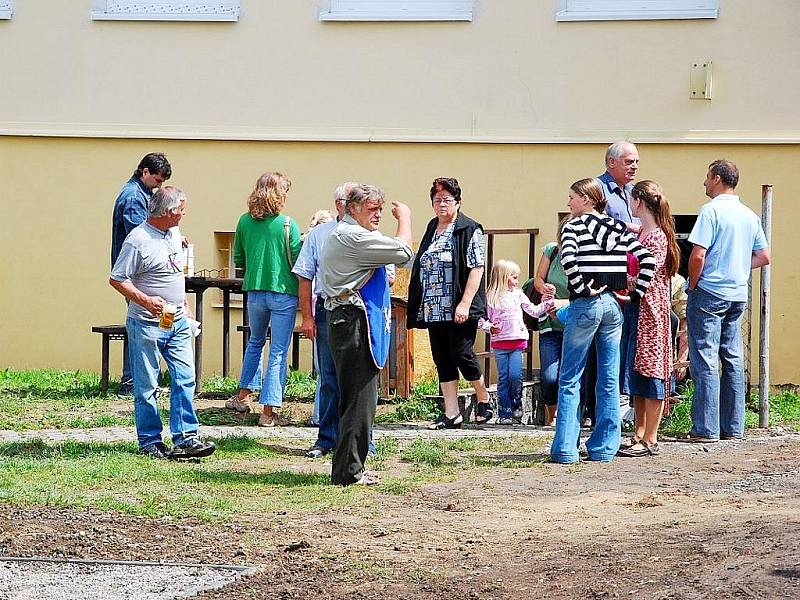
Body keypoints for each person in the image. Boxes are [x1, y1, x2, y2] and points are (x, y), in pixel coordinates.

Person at [550, 178, 655, 464]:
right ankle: (604, 448)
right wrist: (635, 295)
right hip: (612, 304)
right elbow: (648, 260)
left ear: (586, 199)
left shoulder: (573, 226)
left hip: (585, 303)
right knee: (609, 379)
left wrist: (582, 288)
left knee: (570, 377)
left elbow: (569, 260)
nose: (568, 202)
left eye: (572, 197)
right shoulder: (615, 226)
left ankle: (565, 449)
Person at [109, 186, 215, 460]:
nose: (184, 214)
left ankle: (186, 437)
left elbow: (175, 274)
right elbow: (118, 278)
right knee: (147, 385)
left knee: (185, 377)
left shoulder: (174, 233)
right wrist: (145, 301)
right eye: (181, 209)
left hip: (176, 320)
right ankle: (150, 441)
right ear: (168, 212)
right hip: (146, 323)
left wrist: (186, 306)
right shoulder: (138, 240)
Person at [320, 184, 413, 485]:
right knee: (359, 397)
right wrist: (406, 219)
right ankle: (348, 472)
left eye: (381, 209)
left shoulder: (356, 234)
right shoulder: (352, 236)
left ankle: (351, 466)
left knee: (359, 397)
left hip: (349, 319)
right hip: (352, 321)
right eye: (372, 209)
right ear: (353, 208)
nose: (378, 215)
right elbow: (403, 253)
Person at [686, 160, 770, 442]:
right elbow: (764, 256)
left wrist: (694, 283)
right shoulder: (749, 215)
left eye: (707, 177)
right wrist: (737, 266)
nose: (704, 182)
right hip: (737, 292)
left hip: (710, 291)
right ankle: (733, 427)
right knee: (732, 358)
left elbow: (698, 254)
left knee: (705, 358)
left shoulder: (710, 211)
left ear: (718, 179)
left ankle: (706, 428)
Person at [407, 177, 492, 430]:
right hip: (433, 306)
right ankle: (451, 413)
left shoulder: (469, 228)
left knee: (462, 353)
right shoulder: (432, 227)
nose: (441, 204)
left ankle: (483, 396)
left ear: (458, 202)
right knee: (442, 358)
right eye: (437, 199)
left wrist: (465, 304)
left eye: (447, 200)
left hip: (457, 304)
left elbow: (476, 268)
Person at [225, 172, 302, 427]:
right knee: (278, 350)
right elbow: (300, 261)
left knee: (255, 341)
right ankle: (268, 412)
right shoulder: (288, 224)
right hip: (283, 292)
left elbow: (238, 259)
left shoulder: (244, 222)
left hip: (255, 291)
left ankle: (243, 396)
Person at [618, 181, 681, 457]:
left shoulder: (656, 238)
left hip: (650, 311)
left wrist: (621, 283)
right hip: (638, 310)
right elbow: (628, 230)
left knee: (652, 371)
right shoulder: (645, 231)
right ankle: (639, 433)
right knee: (638, 373)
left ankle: (651, 437)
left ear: (639, 202)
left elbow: (648, 276)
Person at [293, 183, 354, 458]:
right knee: (329, 377)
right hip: (327, 310)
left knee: (358, 378)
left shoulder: (370, 234)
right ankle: (327, 437)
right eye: (349, 200)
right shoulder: (319, 235)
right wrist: (307, 317)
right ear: (339, 204)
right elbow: (304, 276)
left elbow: (388, 275)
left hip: (358, 312)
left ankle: (361, 438)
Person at [110, 152, 172, 395]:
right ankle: (133, 380)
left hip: (136, 272)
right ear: (144, 172)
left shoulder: (141, 193)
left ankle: (141, 379)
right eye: (157, 181)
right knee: (143, 325)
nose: (160, 187)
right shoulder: (135, 197)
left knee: (147, 323)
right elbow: (143, 236)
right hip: (138, 274)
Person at [480, 260, 554, 425]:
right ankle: (505, 412)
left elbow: (533, 311)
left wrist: (547, 302)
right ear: (504, 277)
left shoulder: (518, 294)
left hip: (517, 342)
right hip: (500, 343)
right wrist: (488, 327)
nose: (517, 281)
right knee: (503, 378)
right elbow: (480, 319)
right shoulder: (490, 297)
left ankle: (516, 404)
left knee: (515, 376)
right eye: (514, 277)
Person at [533, 217, 571, 426]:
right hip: (550, 325)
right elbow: (538, 279)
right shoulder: (552, 250)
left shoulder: (587, 255)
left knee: (571, 375)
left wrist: (564, 302)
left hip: (575, 325)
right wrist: (544, 288)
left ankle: (568, 417)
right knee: (549, 377)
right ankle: (552, 416)